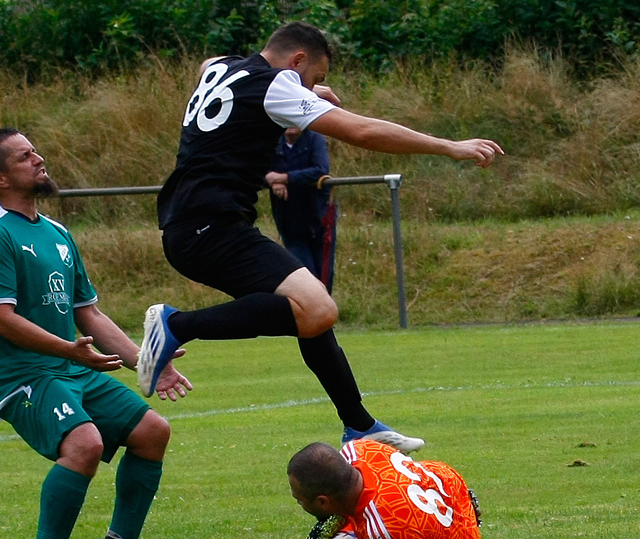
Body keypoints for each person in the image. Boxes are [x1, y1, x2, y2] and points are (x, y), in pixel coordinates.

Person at [139, 21, 502, 450]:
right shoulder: (277, 85)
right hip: (210, 226)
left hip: (193, 225)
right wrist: (450, 146)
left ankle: (360, 425)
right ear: (296, 61)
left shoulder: (223, 68)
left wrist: (306, 91)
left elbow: (208, 62)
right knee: (317, 309)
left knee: (309, 309)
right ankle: (176, 323)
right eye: (317, 77)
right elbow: (362, 130)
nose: (316, 86)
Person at [0, 128, 192, 539]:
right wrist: (67, 349)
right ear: (0, 179)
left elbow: (87, 312)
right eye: (25, 157)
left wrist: (148, 362)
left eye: (35, 151)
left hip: (67, 364)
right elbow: (0, 320)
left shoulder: (57, 233)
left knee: (152, 431)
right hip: (18, 374)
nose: (38, 158)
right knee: (83, 444)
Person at [287, 439, 483, 539]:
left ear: (323, 502)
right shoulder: (357, 449)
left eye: (300, 500)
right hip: (442, 481)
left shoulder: (383, 532)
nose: (299, 504)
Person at [266, 127, 337, 292]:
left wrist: (285, 178)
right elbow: (256, 171)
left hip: (319, 217)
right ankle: (310, 311)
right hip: (289, 221)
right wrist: (273, 181)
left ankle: (324, 312)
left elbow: (321, 169)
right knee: (304, 273)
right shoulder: (272, 141)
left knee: (324, 273)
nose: (291, 124)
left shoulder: (315, 138)